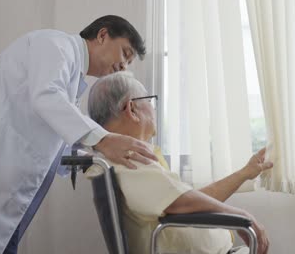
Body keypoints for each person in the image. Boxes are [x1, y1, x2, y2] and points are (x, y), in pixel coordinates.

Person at [0, 15, 159, 254]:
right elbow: (45, 96)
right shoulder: (56, 45)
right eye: (125, 54)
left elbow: (53, 130)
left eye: (128, 62)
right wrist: (103, 139)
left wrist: (87, 154)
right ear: (102, 35)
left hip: (11, 180)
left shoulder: (71, 74)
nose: (124, 67)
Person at [85, 71, 272, 254]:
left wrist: (244, 173)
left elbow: (190, 200)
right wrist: (240, 215)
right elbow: (181, 203)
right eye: (150, 101)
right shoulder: (129, 162)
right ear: (132, 109)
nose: (154, 109)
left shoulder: (128, 161)